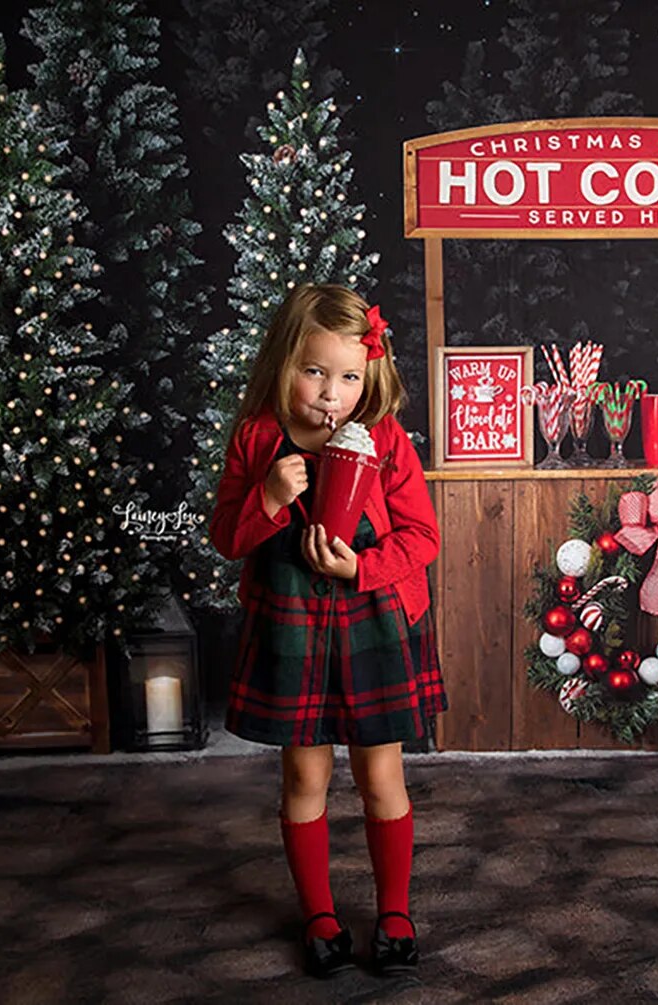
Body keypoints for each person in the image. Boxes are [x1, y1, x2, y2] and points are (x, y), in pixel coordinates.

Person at [209, 283, 447, 979]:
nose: (330, 393)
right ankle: (319, 914)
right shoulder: (257, 437)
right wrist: (270, 497)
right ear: (284, 364)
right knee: (303, 773)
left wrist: (364, 566)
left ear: (368, 376)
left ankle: (395, 911)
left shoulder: (386, 440)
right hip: (291, 628)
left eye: (348, 376)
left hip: (371, 619)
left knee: (381, 774)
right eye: (314, 371)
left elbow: (422, 537)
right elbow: (227, 536)